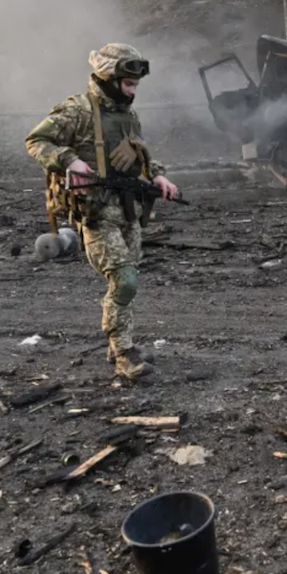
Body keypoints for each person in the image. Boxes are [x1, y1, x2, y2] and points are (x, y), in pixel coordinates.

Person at [24, 43, 180, 381]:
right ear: (108, 77)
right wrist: (71, 160)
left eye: (136, 83)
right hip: (96, 211)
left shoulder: (127, 114)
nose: (133, 89)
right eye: (127, 82)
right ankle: (124, 353)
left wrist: (158, 175)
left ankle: (118, 341)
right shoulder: (77, 111)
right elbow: (36, 141)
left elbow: (140, 152)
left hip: (128, 210)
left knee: (128, 281)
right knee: (124, 280)